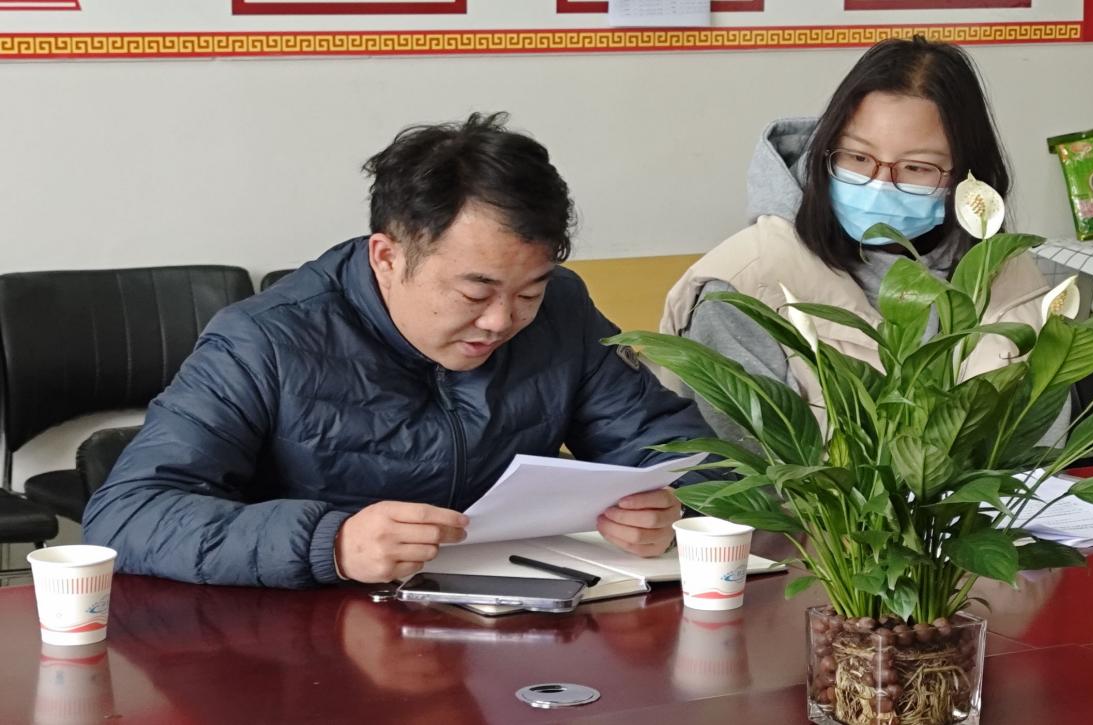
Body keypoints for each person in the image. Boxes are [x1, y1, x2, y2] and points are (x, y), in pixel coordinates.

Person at [83, 112, 716, 589]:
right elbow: (128, 515)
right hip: (314, 644)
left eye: (529, 291)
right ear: (387, 257)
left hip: (514, 629)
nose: (502, 320)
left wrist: (672, 511)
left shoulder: (561, 313)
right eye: (475, 291)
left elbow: (688, 457)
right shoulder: (264, 341)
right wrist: (331, 544)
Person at [661, 36, 1064, 447]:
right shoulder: (743, 288)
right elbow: (741, 469)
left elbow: (1038, 448)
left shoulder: (1007, 273)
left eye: (916, 167)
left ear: (965, 175)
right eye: (857, 158)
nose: (878, 185)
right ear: (825, 149)